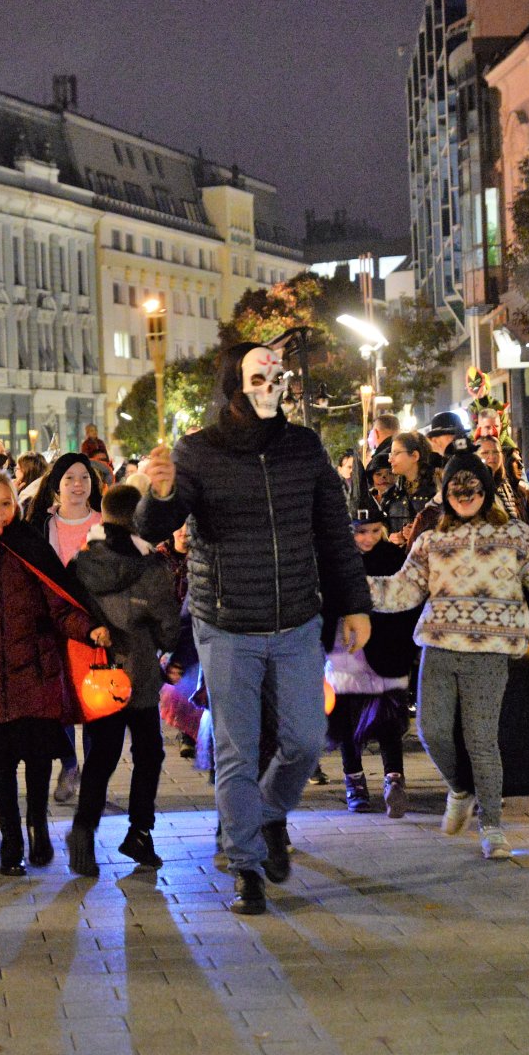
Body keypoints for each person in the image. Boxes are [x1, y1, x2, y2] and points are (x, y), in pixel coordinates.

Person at [137, 343, 372, 915]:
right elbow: (157, 524)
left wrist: (353, 604)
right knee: (237, 752)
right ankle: (246, 866)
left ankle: (265, 816)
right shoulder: (197, 451)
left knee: (304, 740)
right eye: (258, 378)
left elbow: (333, 531)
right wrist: (160, 493)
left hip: (296, 619)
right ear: (233, 386)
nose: (271, 387)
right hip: (227, 623)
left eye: (277, 377)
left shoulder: (303, 446)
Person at [367, 445, 529, 859]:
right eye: (455, 487)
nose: (464, 495)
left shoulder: (516, 535)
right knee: (432, 732)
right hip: (439, 648)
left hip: (490, 652)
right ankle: (461, 788)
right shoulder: (431, 540)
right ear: (446, 493)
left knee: (482, 740)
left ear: (486, 489)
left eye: (472, 486)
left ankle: (491, 825)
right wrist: (354, 588)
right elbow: (402, 590)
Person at [0, 474, 109, 875]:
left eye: (5, 504)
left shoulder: (32, 547)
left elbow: (60, 606)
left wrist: (89, 629)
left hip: (36, 671)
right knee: (1, 767)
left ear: (15, 505)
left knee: (37, 759)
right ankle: (10, 841)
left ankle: (37, 825)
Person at [69, 483, 179, 875]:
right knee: (149, 753)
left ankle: (83, 830)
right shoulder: (151, 565)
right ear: (139, 518)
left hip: (99, 677)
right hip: (141, 675)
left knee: (101, 755)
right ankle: (139, 832)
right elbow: (168, 627)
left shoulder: (81, 562)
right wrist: (167, 644)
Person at [26, 450, 105, 801]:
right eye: (69, 478)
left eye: (84, 478)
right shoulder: (43, 526)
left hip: (95, 631)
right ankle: (69, 764)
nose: (77, 484)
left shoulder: (104, 524)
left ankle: (93, 779)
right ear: (56, 485)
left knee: (95, 704)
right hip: (53, 629)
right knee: (59, 703)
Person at [327, 513, 416, 816]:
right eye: (361, 532)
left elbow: (408, 602)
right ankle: (354, 780)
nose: (368, 538)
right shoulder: (335, 558)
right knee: (346, 719)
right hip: (346, 648)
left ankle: (394, 778)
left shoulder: (394, 557)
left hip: (386, 647)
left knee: (388, 717)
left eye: (375, 531)